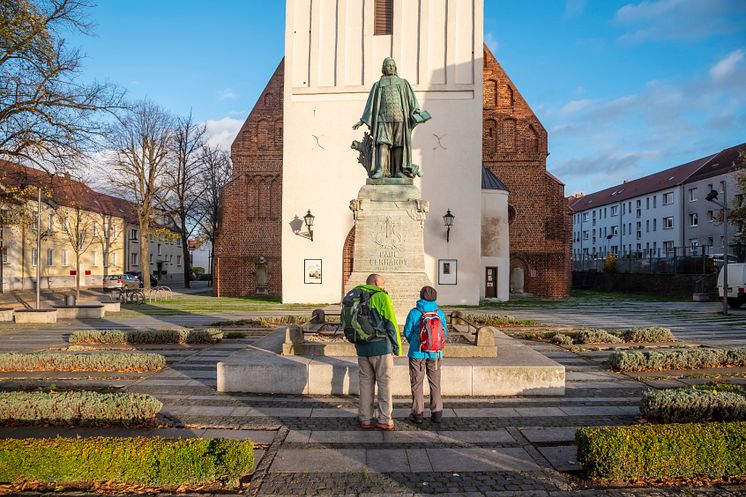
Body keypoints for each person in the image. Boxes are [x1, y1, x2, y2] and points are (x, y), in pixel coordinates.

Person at [353, 57, 429, 179]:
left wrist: (416, 113)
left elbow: (411, 100)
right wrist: (363, 120)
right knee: (382, 143)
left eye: (393, 65)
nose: (391, 67)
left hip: (399, 118)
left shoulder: (402, 83)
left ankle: (398, 170)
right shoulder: (378, 85)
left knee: (398, 144)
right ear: (383, 68)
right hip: (383, 118)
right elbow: (370, 104)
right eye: (388, 65)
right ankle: (380, 170)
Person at [353, 274, 401, 430]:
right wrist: (397, 347)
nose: (384, 285)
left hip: (362, 347)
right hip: (381, 347)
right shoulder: (381, 297)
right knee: (384, 383)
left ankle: (365, 419)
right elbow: (391, 323)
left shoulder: (356, 295)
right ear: (375, 282)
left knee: (365, 384)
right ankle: (385, 419)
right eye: (382, 283)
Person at [403, 286, 447, 424]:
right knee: (435, 383)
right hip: (435, 354)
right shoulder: (439, 312)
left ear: (421, 296)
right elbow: (444, 333)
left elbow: (407, 332)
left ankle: (418, 414)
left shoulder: (414, 312)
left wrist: (415, 343)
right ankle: (437, 413)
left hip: (417, 353)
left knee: (417, 383)